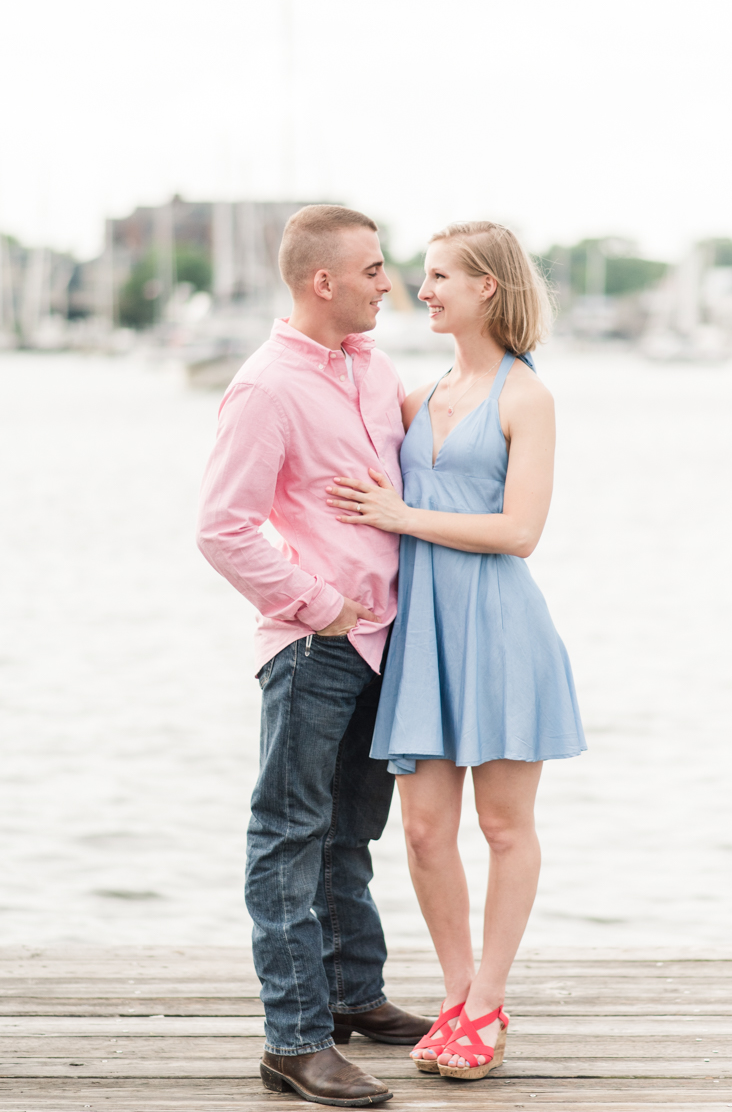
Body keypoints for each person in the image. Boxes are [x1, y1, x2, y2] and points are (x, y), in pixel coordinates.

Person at [324, 221, 586, 1081]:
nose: (421, 288)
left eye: (440, 276)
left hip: (501, 633)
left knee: (505, 827)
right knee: (428, 833)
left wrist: (402, 517)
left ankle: (488, 1004)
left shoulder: (525, 398)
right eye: (423, 274)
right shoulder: (417, 393)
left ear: (490, 289)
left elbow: (520, 531)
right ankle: (458, 991)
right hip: (422, 637)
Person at [196, 204, 432, 1107]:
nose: (389, 281)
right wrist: (320, 604)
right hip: (313, 645)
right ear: (321, 280)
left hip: (385, 645)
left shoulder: (375, 369)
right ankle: (294, 1041)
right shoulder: (265, 387)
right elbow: (222, 529)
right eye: (373, 268)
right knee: (287, 838)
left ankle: (350, 993)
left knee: (350, 835)